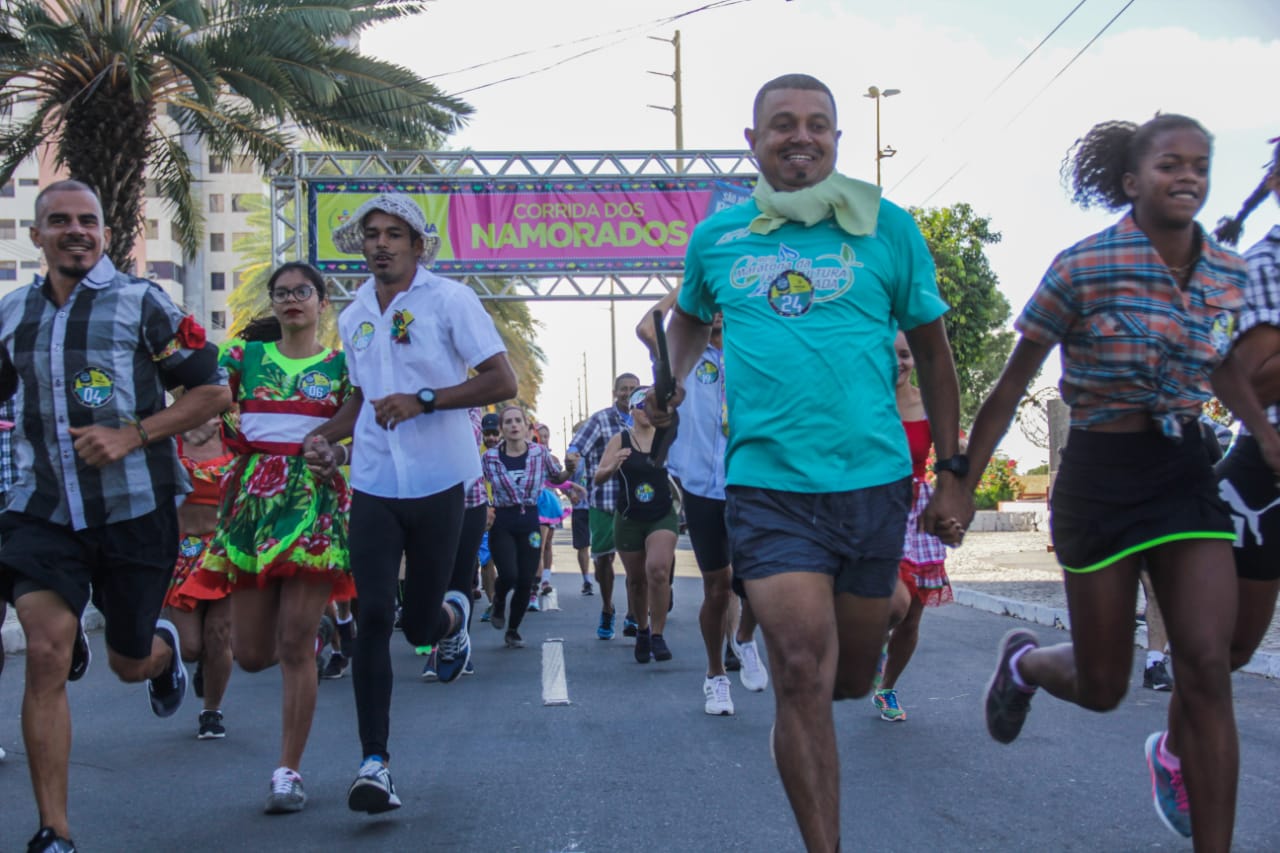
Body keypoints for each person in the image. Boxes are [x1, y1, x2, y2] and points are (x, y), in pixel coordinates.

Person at [647, 75, 964, 852]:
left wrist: (955, 470)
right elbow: (687, 320)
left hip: (873, 484)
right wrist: (670, 382)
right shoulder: (718, 239)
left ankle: (862, 650)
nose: (801, 136)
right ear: (752, 142)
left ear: (836, 139)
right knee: (797, 670)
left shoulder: (888, 228)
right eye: (782, 124)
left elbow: (933, 352)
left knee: (847, 679)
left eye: (817, 124)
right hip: (768, 486)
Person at [960, 115, 1275, 852]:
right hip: (1099, 478)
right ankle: (1024, 663)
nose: (1187, 176)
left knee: (1207, 664)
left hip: (1183, 472)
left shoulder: (1226, 273)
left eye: (1199, 164)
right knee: (1104, 685)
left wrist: (1261, 430)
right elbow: (1011, 386)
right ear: (1132, 181)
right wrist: (959, 483)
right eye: (1170, 164)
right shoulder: (1082, 267)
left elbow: (1223, 363)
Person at [0, 179, 231, 852]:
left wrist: (133, 434)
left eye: (87, 220)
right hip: (41, 509)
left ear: (105, 232)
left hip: (134, 508)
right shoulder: (11, 315)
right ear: (37, 235)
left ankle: (161, 657)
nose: (75, 230)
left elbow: (213, 391)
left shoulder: (144, 303)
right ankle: (54, 831)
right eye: (59, 220)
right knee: (45, 648)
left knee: (128, 663)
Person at [305, 192, 516, 814]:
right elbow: (360, 398)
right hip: (374, 483)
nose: (381, 243)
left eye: (394, 234)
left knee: (418, 627)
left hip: (440, 480)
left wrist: (424, 400)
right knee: (374, 615)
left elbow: (501, 380)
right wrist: (326, 441)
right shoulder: (353, 315)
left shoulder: (450, 300)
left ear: (418, 245)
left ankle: (453, 618)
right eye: (372, 234)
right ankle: (375, 764)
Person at [182, 262, 354, 814]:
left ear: (322, 302)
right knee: (253, 655)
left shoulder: (342, 367)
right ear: (273, 304)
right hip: (252, 506)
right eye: (281, 293)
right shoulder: (243, 357)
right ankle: (314, 632)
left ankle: (288, 772)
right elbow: (205, 397)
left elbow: (365, 427)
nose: (291, 300)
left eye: (302, 291)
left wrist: (337, 452)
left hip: (313, 504)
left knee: (293, 645)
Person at [1152, 136, 1280, 836]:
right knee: (1227, 653)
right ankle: (1174, 752)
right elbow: (1247, 382)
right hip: (1263, 480)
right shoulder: (1264, 265)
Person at [638, 294, 768, 716]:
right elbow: (646, 327)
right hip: (701, 485)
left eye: (722, 301)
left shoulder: (754, 346)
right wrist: (686, 285)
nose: (716, 311)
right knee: (717, 587)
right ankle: (715, 676)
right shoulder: (684, 353)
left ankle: (744, 637)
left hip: (751, 479)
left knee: (759, 578)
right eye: (708, 302)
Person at [873, 332, 955, 722]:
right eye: (890, 355)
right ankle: (869, 643)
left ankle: (886, 689)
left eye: (905, 355)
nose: (899, 363)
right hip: (875, 511)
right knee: (895, 604)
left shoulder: (928, 404)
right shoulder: (865, 401)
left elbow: (951, 458)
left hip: (918, 514)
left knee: (912, 617)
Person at [594, 388, 680, 665]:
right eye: (640, 405)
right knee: (636, 580)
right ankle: (642, 630)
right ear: (631, 410)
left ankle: (658, 634)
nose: (646, 410)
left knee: (658, 570)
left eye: (650, 405)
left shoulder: (667, 437)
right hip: (629, 517)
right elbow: (598, 476)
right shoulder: (620, 439)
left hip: (661, 515)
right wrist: (612, 466)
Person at [164, 415, 236, 739]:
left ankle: (211, 711)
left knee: (218, 634)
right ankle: (198, 666)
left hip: (225, 550)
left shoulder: (236, 437)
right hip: (183, 551)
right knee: (190, 647)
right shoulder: (171, 439)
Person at [482, 405, 573, 647]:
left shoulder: (539, 453)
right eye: (508, 422)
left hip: (530, 521)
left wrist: (570, 471)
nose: (513, 425)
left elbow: (556, 477)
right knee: (509, 574)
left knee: (526, 579)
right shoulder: (490, 458)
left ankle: (513, 629)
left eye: (518, 421)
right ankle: (498, 600)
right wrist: (485, 509)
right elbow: (477, 485)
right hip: (503, 520)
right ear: (501, 429)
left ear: (526, 427)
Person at [568, 373, 641, 640]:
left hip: (636, 503)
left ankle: (633, 615)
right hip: (604, 502)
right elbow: (578, 445)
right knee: (603, 562)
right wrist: (572, 457)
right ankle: (607, 608)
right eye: (624, 389)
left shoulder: (645, 418)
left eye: (633, 389)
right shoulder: (601, 419)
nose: (628, 393)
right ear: (614, 392)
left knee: (636, 564)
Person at [567, 419, 594, 596]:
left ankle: (603, 575)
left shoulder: (597, 451)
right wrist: (570, 493)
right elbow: (564, 480)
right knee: (582, 545)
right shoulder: (572, 455)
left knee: (601, 546)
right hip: (580, 507)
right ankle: (587, 580)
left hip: (597, 505)